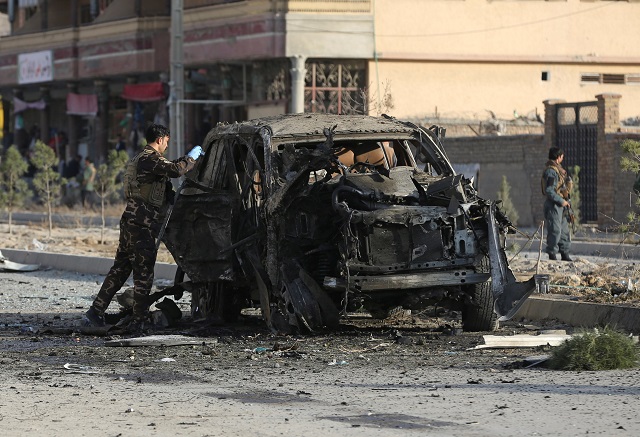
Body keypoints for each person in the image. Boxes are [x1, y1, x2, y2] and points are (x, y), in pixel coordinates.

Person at [83, 124, 204, 332]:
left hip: (132, 221)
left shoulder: (142, 159)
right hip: (141, 224)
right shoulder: (149, 158)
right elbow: (176, 170)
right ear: (160, 139)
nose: (167, 145)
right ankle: (139, 319)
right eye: (166, 141)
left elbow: (167, 170)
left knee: (120, 269)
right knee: (143, 273)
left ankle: (96, 311)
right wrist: (191, 158)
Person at [541, 147, 573, 261]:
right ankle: (552, 254)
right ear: (558, 157)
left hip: (561, 205)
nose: (563, 158)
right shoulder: (551, 171)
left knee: (564, 231)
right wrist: (561, 201)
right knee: (555, 230)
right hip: (554, 205)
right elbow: (549, 190)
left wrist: (565, 201)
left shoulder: (558, 170)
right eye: (562, 156)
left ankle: (565, 253)